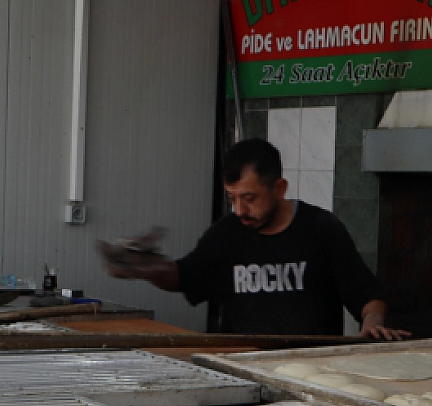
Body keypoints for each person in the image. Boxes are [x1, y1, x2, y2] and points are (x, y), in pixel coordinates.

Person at [102, 138, 406, 339]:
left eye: (249, 198)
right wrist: (146, 267)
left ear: (280, 188)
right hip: (242, 365)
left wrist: (373, 324)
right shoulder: (227, 234)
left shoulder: (321, 228)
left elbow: (367, 295)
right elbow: (187, 276)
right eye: (232, 198)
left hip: (310, 370)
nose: (239, 210)